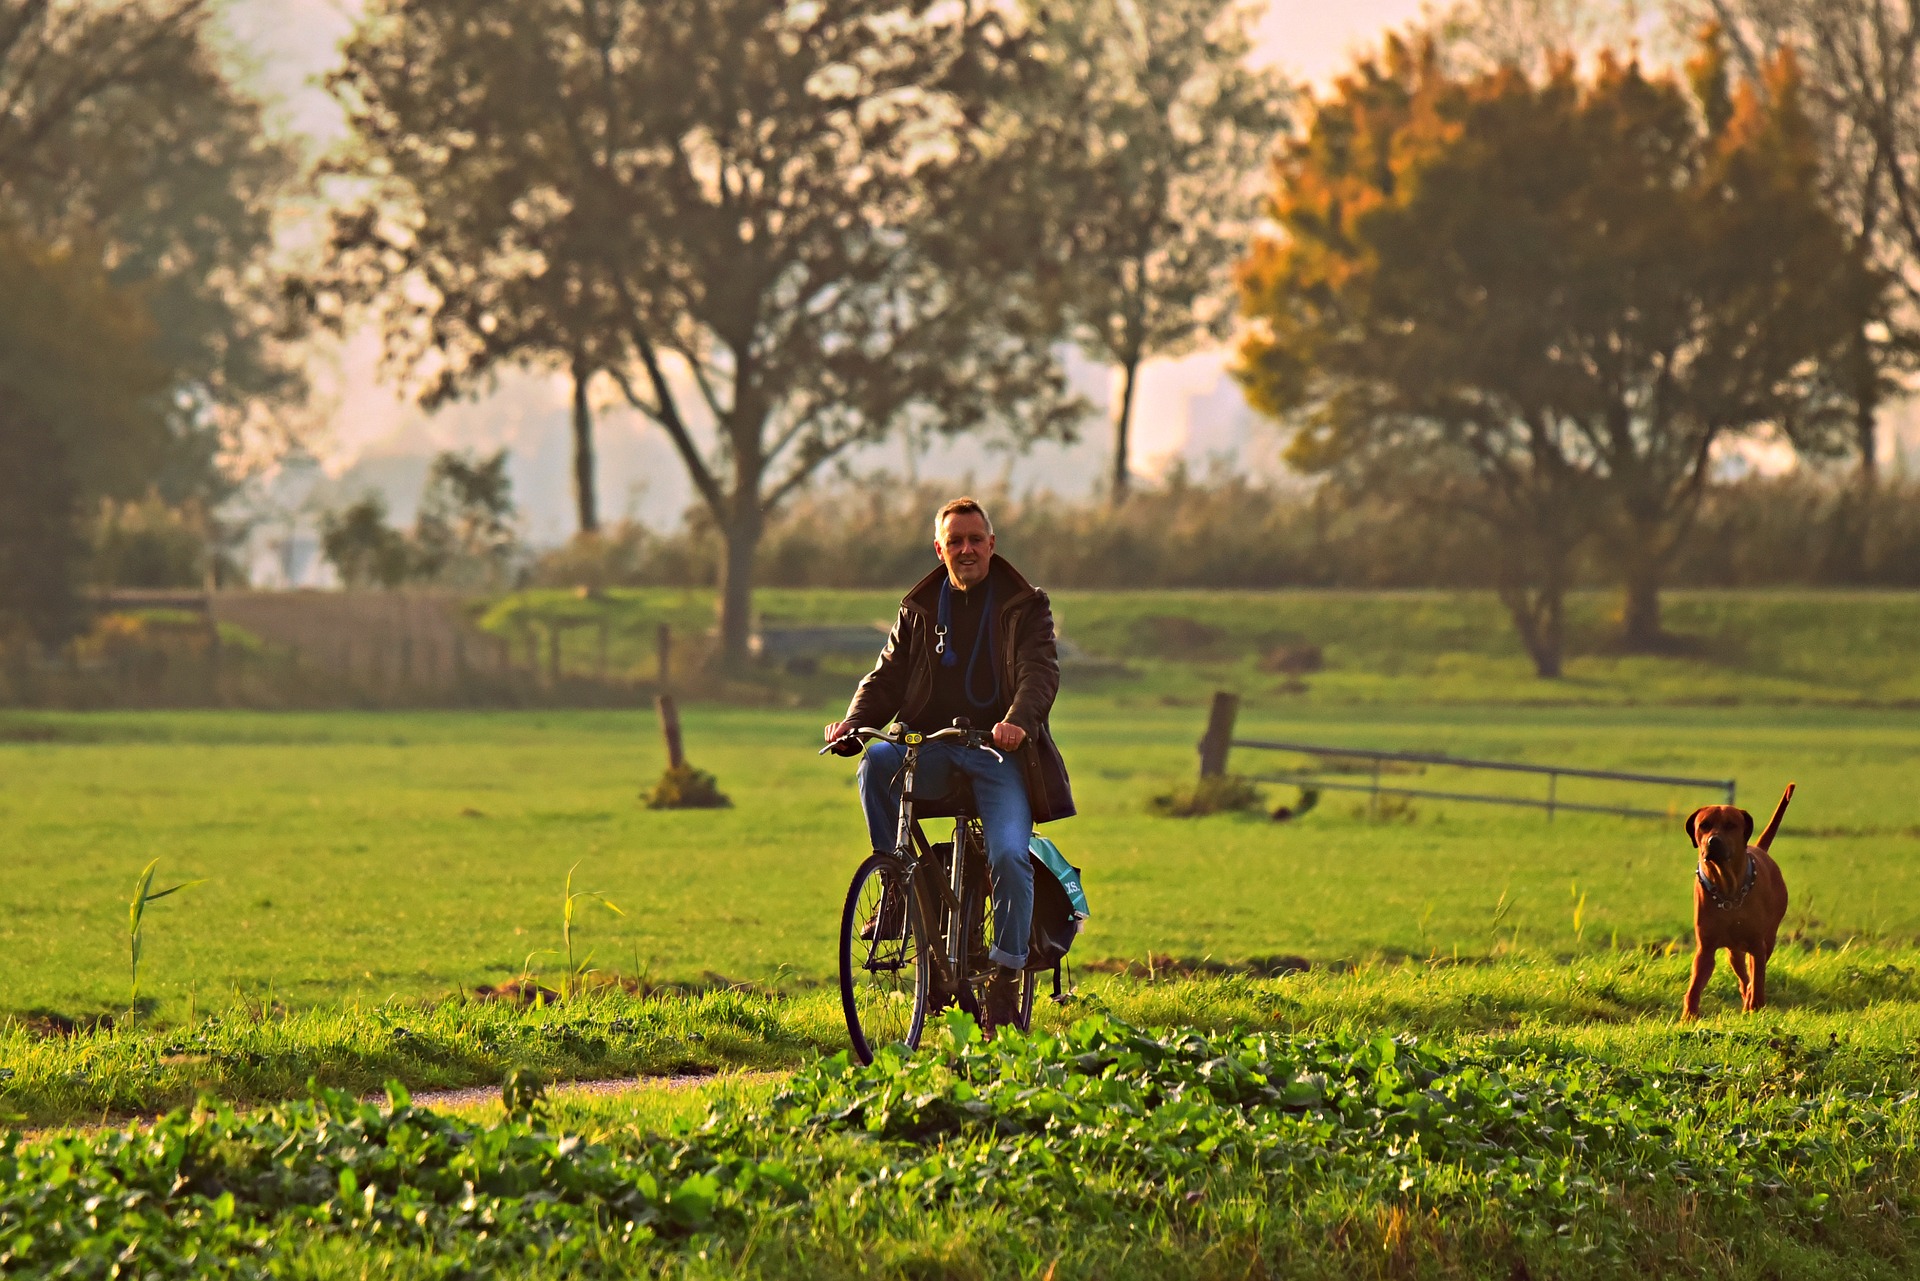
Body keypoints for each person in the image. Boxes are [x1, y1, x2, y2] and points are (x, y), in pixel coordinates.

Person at [825, 496, 1075, 1032]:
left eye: (975, 539)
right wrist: (852, 724)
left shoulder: (1025, 605)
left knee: (1009, 858)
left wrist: (1018, 721)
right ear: (939, 550)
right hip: (928, 747)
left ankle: (1006, 984)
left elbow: (1039, 673)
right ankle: (896, 887)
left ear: (992, 545)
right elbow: (886, 677)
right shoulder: (917, 608)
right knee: (875, 763)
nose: (966, 549)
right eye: (954, 541)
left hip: (998, 754)